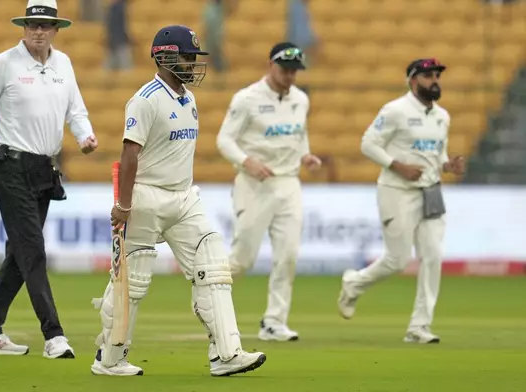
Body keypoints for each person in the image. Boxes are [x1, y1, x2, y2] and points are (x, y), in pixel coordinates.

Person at [90, 24, 267, 377]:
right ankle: (109, 359)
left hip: (185, 197)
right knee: (134, 281)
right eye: (187, 57)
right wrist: (124, 206)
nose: (193, 64)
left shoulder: (189, 98)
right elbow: (129, 155)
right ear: (166, 57)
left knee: (214, 265)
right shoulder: (145, 99)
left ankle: (227, 355)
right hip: (145, 198)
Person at [0, 0, 98, 359]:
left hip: (43, 169)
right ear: (24, 27)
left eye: (45, 25)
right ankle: (54, 335)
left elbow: (76, 111)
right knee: (33, 250)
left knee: (19, 253)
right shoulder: (5, 63)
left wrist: (85, 135)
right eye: (32, 25)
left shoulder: (64, 64)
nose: (38, 31)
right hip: (9, 166)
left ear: (56, 29)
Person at [338, 58, 466, 343]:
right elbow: (368, 144)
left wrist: (447, 166)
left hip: (431, 191)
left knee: (433, 256)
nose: (435, 80)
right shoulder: (395, 111)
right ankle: (353, 283)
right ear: (412, 80)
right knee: (397, 260)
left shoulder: (442, 116)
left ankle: (419, 327)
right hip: (396, 191)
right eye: (428, 76)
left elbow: (437, 155)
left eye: (437, 76)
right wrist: (398, 166)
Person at [216, 42, 322, 342]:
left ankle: (274, 321)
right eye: (285, 69)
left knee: (288, 255)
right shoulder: (247, 99)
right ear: (270, 65)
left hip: (289, 183)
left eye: (294, 71)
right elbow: (224, 140)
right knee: (242, 258)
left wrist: (306, 155)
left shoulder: (301, 99)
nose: (290, 75)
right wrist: (248, 162)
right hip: (254, 185)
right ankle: (208, 295)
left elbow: (298, 135)